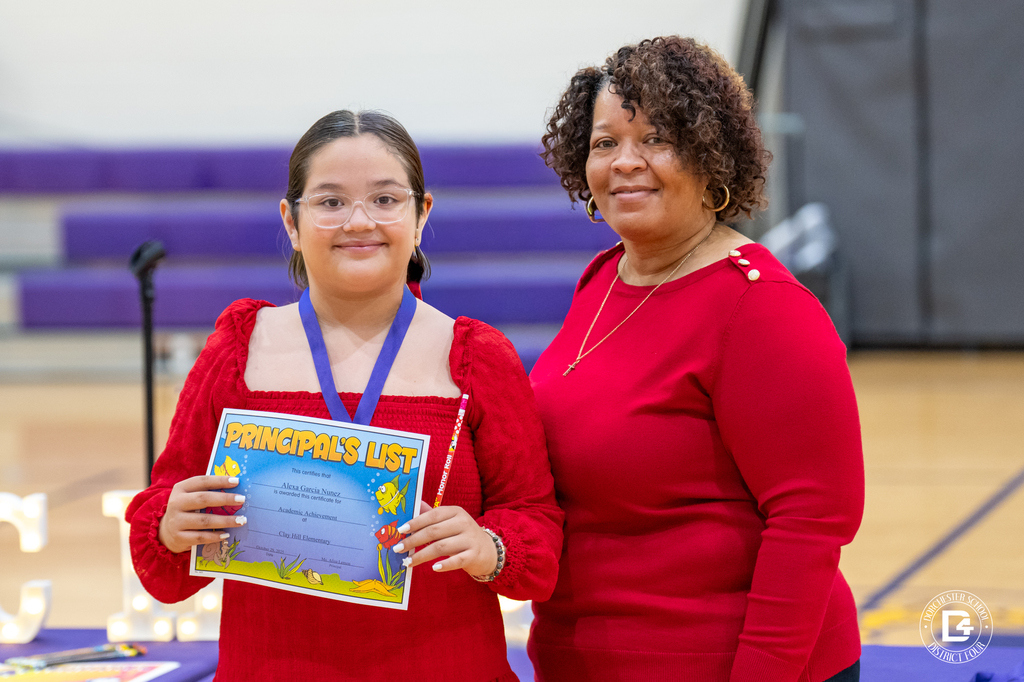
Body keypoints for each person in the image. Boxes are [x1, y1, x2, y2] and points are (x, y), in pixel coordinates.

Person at [125, 110, 563, 681]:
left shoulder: (478, 357)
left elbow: (536, 527)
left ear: (421, 213)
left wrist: (488, 547)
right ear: (291, 220)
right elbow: (164, 543)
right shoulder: (237, 350)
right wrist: (170, 523)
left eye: (385, 200)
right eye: (331, 202)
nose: (360, 221)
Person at [528, 37, 864, 682]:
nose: (625, 162)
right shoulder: (603, 279)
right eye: (605, 143)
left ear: (712, 157)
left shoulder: (762, 308)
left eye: (656, 139)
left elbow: (811, 523)